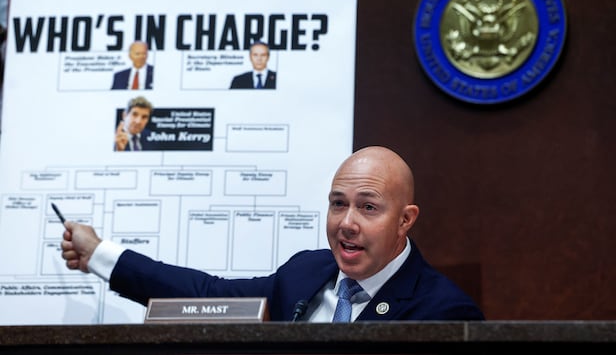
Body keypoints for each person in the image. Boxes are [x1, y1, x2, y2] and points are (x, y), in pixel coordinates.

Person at [60, 146, 485, 322]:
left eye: (368, 207)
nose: (346, 223)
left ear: (405, 220)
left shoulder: (445, 312)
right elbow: (207, 295)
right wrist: (98, 253)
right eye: (338, 204)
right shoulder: (304, 273)